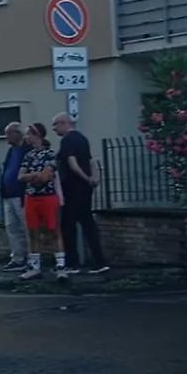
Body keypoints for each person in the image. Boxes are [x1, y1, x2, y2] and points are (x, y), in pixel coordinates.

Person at [52, 112, 109, 276]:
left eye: (55, 125)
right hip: (85, 189)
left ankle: (72, 264)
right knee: (88, 223)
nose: (54, 129)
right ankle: (100, 262)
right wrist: (93, 178)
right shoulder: (83, 139)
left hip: (72, 186)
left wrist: (85, 178)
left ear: (64, 123)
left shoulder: (67, 140)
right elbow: (91, 161)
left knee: (68, 225)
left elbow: (72, 163)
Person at [17, 123, 66, 280]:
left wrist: (32, 176)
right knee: (33, 232)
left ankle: (60, 266)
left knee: (54, 231)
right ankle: (35, 267)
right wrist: (36, 175)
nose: (26, 137)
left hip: (48, 197)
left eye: (28, 134)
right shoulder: (28, 156)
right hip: (31, 197)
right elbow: (20, 177)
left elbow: (45, 178)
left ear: (36, 134)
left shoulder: (50, 154)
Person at [0, 122, 29, 273]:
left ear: (17, 134)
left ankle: (30, 258)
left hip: (21, 195)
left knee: (25, 227)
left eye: (8, 133)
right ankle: (17, 258)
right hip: (8, 194)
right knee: (11, 227)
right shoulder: (12, 151)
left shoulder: (26, 150)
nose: (6, 137)